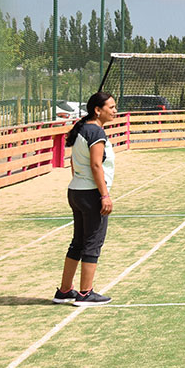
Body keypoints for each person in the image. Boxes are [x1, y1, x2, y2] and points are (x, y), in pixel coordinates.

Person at [53, 92, 118, 305]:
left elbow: (74, 162)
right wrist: (104, 195)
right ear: (97, 110)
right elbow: (96, 165)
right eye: (111, 107)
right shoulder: (96, 132)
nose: (115, 111)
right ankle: (85, 293)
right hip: (91, 194)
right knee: (92, 243)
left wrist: (81, 183)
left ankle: (64, 291)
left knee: (78, 243)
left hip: (76, 191)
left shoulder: (82, 129)